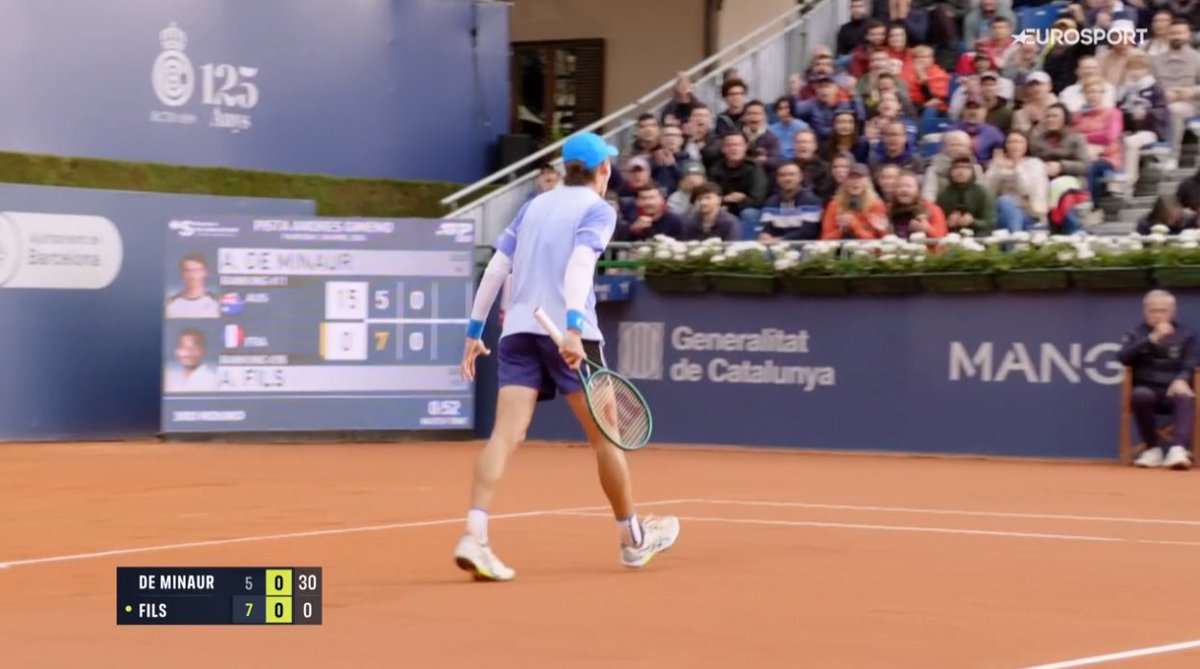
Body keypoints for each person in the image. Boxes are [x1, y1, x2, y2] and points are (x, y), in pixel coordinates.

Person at [455, 132, 681, 581]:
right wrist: (574, 328)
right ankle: (633, 539)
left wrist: (474, 331)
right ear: (602, 170)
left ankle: (474, 535)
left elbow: (498, 267)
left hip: (518, 331)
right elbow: (580, 264)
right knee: (607, 439)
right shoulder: (599, 209)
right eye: (609, 166)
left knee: (505, 435)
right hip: (568, 336)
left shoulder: (533, 205)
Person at [1117, 290, 1195, 470]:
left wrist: (1182, 379)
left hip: (1173, 390)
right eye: (1153, 311)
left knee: (1184, 396)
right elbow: (1122, 357)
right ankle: (1152, 450)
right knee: (1140, 395)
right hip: (1147, 390)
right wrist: (1152, 339)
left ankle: (1178, 450)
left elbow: (1192, 361)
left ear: (1172, 311)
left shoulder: (1186, 334)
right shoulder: (1136, 333)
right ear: (1145, 311)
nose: (1158, 315)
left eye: (1163, 310)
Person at [166, 254, 219, 319]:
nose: (192, 275)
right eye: (188, 270)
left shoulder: (217, 303)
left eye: (197, 270)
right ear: (182, 274)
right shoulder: (170, 305)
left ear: (205, 272)